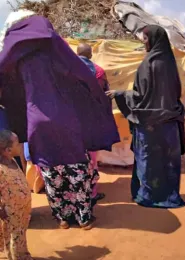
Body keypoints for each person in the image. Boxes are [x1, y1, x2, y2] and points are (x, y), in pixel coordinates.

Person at [0, 16, 119, 230]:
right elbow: (83, 76)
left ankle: (62, 218)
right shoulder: (58, 54)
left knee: (50, 171)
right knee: (76, 168)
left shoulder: (18, 59)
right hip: (64, 118)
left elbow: (8, 84)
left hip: (36, 120)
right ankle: (83, 218)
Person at [106, 25, 185, 209]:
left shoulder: (148, 64)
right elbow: (175, 92)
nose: (144, 43)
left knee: (149, 160)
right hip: (170, 123)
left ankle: (148, 196)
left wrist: (120, 94)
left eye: (145, 39)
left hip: (150, 124)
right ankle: (170, 196)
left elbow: (140, 97)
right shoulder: (170, 63)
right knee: (168, 162)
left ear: (153, 40)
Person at [77, 43, 106, 202]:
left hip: (71, 121)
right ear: (91, 54)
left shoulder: (66, 70)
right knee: (91, 157)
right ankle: (92, 192)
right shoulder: (99, 72)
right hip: (92, 121)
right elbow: (104, 96)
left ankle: (76, 190)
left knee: (74, 157)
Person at [0, 130, 32, 260]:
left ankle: (23, 254)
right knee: (14, 237)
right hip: (10, 213)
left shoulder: (12, 161)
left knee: (20, 235)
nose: (20, 146)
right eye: (17, 143)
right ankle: (17, 257)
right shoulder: (1, 170)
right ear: (8, 150)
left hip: (21, 212)